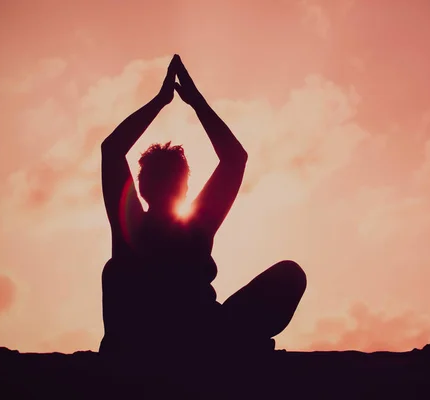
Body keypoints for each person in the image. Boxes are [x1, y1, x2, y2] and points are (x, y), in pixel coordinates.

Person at [98, 55, 306, 361]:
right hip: (187, 340)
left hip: (202, 334)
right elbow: (235, 158)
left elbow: (112, 150)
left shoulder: (148, 227)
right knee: (290, 276)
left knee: (290, 275)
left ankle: (229, 347)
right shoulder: (149, 228)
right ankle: (233, 349)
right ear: (183, 189)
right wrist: (189, 101)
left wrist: (166, 101)